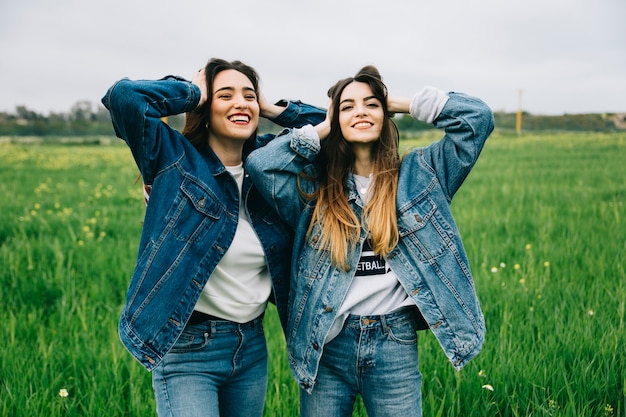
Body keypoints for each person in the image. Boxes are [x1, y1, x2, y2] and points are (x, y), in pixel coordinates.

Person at [246, 65, 495, 416]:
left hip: (394, 342)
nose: (360, 111)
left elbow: (477, 119)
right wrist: (326, 125)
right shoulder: (313, 188)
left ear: (386, 114)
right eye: (347, 106)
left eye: (371, 104)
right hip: (328, 343)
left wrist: (397, 101)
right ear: (335, 119)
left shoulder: (421, 174)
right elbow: (262, 165)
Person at [101, 58, 325, 417]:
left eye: (248, 95)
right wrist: (192, 93)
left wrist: (274, 109)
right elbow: (124, 98)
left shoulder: (270, 163)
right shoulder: (175, 158)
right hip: (187, 348)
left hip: (250, 346)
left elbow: (338, 128)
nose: (240, 103)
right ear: (206, 108)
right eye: (226, 95)